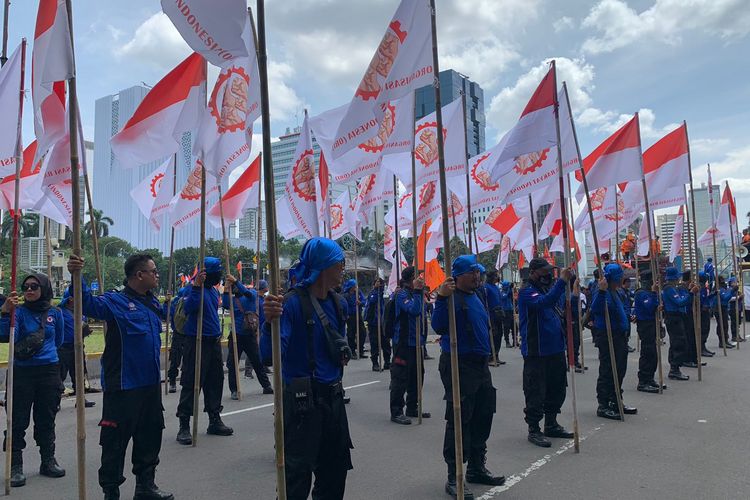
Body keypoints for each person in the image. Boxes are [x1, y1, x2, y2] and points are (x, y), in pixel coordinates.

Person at [68, 254, 173, 500]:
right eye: (153, 271)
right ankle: (111, 491)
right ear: (139, 275)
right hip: (124, 386)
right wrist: (77, 275)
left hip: (149, 384)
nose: (157, 275)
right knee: (115, 442)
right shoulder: (115, 302)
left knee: (150, 434)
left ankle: (145, 486)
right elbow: (86, 304)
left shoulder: (152, 303)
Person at [262, 237, 353, 499]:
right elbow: (269, 356)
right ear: (324, 267)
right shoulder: (289, 304)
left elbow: (339, 348)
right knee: (296, 479)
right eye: (339, 264)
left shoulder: (339, 303)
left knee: (335, 474)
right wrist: (270, 323)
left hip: (333, 400)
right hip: (303, 405)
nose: (342, 270)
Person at [433, 255, 505, 499]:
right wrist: (441, 298)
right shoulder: (450, 297)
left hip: (481, 365)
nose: (477, 276)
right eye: (472, 273)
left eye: (478, 272)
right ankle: (454, 476)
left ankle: (476, 467)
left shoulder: (478, 295)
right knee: (460, 418)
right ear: (459, 276)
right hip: (459, 364)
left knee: (483, 415)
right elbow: (439, 326)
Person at [1, 274, 66, 488]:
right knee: (17, 420)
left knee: (46, 418)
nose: (29, 290)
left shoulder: (55, 313)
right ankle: (15, 466)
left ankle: (48, 461)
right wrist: (4, 313)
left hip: (49, 372)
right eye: (25, 286)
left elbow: (59, 340)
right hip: (22, 372)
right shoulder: (18, 312)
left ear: (44, 288)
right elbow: (6, 336)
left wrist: (45, 356)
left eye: (34, 286)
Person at [517, 258, 575, 448]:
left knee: (557, 388)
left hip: (556, 349)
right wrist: (561, 282)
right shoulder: (526, 291)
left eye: (550, 271)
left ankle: (551, 423)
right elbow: (543, 303)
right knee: (536, 391)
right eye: (544, 271)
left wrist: (570, 283)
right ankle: (534, 428)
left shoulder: (547, 289)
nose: (548, 275)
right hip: (537, 351)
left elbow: (558, 302)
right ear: (534, 272)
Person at [175, 257, 233, 446]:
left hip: (213, 342)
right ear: (204, 273)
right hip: (197, 342)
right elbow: (190, 308)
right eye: (216, 271)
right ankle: (184, 425)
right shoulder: (191, 290)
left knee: (215, 381)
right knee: (192, 382)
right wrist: (196, 287)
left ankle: (214, 419)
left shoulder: (213, 291)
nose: (219, 275)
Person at [590, 263, 637, 420]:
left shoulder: (616, 291)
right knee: (608, 370)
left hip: (619, 336)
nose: (622, 279)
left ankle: (616, 399)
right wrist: (602, 292)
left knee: (619, 369)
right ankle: (603, 404)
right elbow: (595, 309)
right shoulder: (601, 290)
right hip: (608, 335)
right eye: (620, 277)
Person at [389, 266, 429, 425]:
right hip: (403, 343)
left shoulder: (414, 293)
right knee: (400, 377)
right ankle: (396, 411)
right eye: (416, 276)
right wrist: (419, 292)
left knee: (417, 375)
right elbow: (414, 310)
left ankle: (412, 407)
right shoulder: (401, 294)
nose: (420, 278)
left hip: (416, 342)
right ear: (409, 279)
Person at [222, 277, 273, 399]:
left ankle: (266, 385)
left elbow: (247, 292)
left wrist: (234, 283)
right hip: (236, 335)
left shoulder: (251, 295)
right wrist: (226, 289)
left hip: (248, 334)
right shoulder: (233, 300)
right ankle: (235, 390)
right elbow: (224, 304)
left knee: (256, 361)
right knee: (233, 364)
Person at [57, 290, 95, 408]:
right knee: (60, 375)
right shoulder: (60, 312)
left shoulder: (81, 312)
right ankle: (55, 401)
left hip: (78, 347)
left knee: (79, 374)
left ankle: (81, 399)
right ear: (70, 299)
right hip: (63, 348)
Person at [661, 267, 698, 381]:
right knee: (679, 343)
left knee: (676, 342)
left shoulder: (673, 288)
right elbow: (680, 302)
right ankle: (675, 369)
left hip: (676, 317)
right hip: (673, 318)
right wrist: (691, 294)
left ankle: (675, 367)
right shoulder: (669, 289)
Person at [634, 271, 661, 393]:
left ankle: (650, 378)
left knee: (653, 354)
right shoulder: (641, 294)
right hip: (645, 324)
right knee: (647, 352)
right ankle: (643, 380)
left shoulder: (649, 293)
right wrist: (654, 293)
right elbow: (649, 306)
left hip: (651, 323)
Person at [167, 285, 190, 393]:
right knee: (186, 359)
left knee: (175, 360)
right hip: (187, 334)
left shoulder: (175, 302)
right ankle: (183, 381)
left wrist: (166, 303)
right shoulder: (189, 300)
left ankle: (172, 382)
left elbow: (167, 315)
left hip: (177, 334)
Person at [364, 277, 389, 371]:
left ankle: (387, 362)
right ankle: (375, 363)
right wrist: (376, 290)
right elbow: (372, 301)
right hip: (374, 323)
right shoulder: (372, 294)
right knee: (375, 344)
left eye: (380, 283)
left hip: (383, 323)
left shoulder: (384, 294)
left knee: (385, 343)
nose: (379, 284)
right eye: (377, 282)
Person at [483, 271, 505, 364]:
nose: (498, 277)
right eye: (496, 276)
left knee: (500, 334)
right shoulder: (485, 287)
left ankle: (496, 355)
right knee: (493, 335)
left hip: (499, 313)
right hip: (491, 314)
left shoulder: (496, 287)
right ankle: (490, 357)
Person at [713, 277, 736, 350]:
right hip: (719, 308)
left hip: (724, 308)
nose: (724, 282)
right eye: (722, 281)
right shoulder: (719, 289)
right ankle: (722, 341)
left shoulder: (723, 288)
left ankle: (725, 340)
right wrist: (732, 291)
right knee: (721, 325)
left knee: (725, 325)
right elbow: (725, 298)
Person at [697, 273, 715, 357]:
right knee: (703, 330)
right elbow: (700, 299)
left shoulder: (704, 287)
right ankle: (701, 348)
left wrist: (713, 294)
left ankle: (703, 347)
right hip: (702, 312)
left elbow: (706, 298)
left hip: (705, 310)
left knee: (706, 329)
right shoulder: (700, 287)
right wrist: (703, 306)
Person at [619, 277, 636, 353]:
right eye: (628, 282)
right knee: (625, 330)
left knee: (628, 330)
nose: (629, 284)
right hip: (624, 313)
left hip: (628, 312)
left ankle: (626, 344)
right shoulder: (621, 292)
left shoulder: (627, 291)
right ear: (624, 283)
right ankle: (625, 345)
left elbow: (634, 295)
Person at [728, 277, 745, 343]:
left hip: (738, 308)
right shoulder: (730, 290)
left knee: (738, 323)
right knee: (734, 323)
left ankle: (738, 335)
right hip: (733, 308)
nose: (736, 283)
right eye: (734, 282)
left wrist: (741, 297)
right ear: (731, 283)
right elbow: (730, 298)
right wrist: (738, 297)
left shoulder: (737, 291)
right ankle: (734, 336)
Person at [498, 281, 515, 347]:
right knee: (506, 327)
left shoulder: (509, 291)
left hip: (511, 310)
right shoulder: (502, 293)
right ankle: (507, 341)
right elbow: (505, 297)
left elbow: (511, 294)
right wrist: (508, 288)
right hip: (505, 311)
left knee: (514, 327)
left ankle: (515, 341)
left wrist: (511, 287)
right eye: (507, 285)